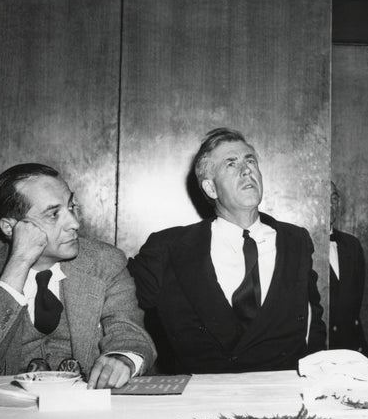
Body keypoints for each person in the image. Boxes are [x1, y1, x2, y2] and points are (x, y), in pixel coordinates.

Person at [128, 127, 326, 374]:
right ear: (211, 189)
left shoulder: (295, 241)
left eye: (250, 161)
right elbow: (116, 299)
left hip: (280, 398)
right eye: (231, 164)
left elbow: (312, 323)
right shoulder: (169, 248)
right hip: (203, 402)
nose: (247, 170)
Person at [0, 163, 155, 388]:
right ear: (10, 228)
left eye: (71, 206)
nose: (74, 223)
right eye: (53, 214)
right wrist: (17, 266)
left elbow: (130, 333)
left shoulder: (104, 262)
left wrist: (123, 358)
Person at [329, 182, 368, 356]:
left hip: (350, 348)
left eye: (334, 198)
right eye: (325, 198)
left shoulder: (352, 245)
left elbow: (354, 303)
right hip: (318, 351)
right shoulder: (299, 245)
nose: (331, 205)